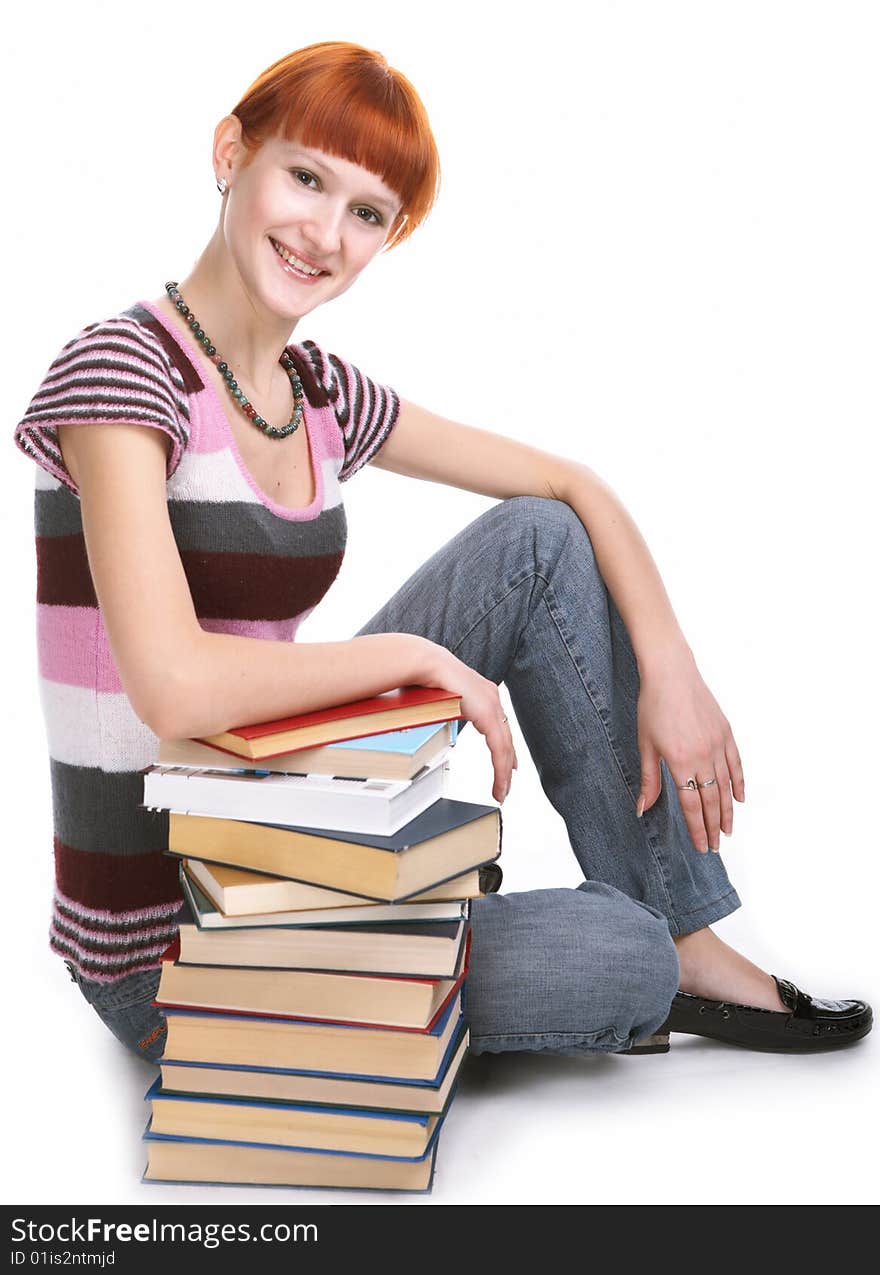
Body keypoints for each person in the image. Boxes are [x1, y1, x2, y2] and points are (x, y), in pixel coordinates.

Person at [13, 40, 870, 1066]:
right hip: (177, 947)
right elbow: (175, 688)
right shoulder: (122, 370)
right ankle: (628, 948)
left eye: (367, 213)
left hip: (279, 836)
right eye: (306, 177)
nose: (325, 234)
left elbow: (568, 486)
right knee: (616, 961)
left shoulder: (318, 391)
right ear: (230, 151)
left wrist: (672, 673)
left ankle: (684, 933)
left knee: (539, 542)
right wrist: (417, 662)